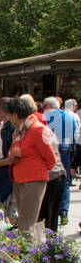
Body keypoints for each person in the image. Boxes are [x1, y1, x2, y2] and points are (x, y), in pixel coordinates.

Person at [5, 96, 59, 232]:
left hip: (33, 180)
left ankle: (26, 251)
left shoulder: (37, 129)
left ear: (16, 115)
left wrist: (36, 170)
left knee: (26, 223)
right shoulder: (21, 131)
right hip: (20, 179)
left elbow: (51, 159)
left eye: (9, 115)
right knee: (23, 219)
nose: (8, 119)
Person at [43, 96, 78, 225]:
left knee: (51, 180)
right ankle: (63, 211)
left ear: (48, 106)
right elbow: (76, 136)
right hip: (66, 150)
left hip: (51, 150)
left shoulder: (45, 116)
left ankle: (49, 211)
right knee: (65, 181)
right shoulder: (70, 116)